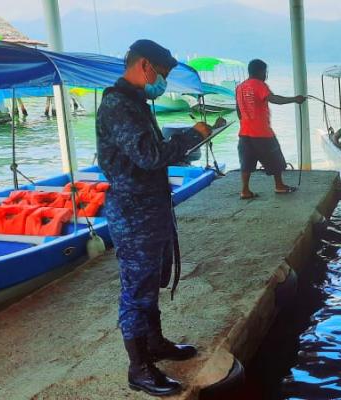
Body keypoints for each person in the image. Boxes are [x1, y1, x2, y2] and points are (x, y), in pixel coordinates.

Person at [97, 39, 212, 396]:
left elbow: (147, 153)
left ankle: (156, 343)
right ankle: (139, 368)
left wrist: (184, 143)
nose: (161, 81)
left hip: (150, 206)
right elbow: (148, 155)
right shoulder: (118, 105)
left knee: (150, 283)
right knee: (136, 291)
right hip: (133, 212)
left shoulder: (136, 102)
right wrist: (192, 136)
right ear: (144, 65)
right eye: (161, 73)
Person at [236, 59, 305, 200]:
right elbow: (274, 99)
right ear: (260, 71)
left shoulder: (240, 87)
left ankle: (245, 190)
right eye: (265, 72)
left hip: (244, 133)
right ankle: (279, 186)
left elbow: (238, 109)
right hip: (262, 133)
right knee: (276, 159)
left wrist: (246, 122)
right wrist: (294, 99)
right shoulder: (260, 85)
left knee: (246, 163)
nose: (265, 75)